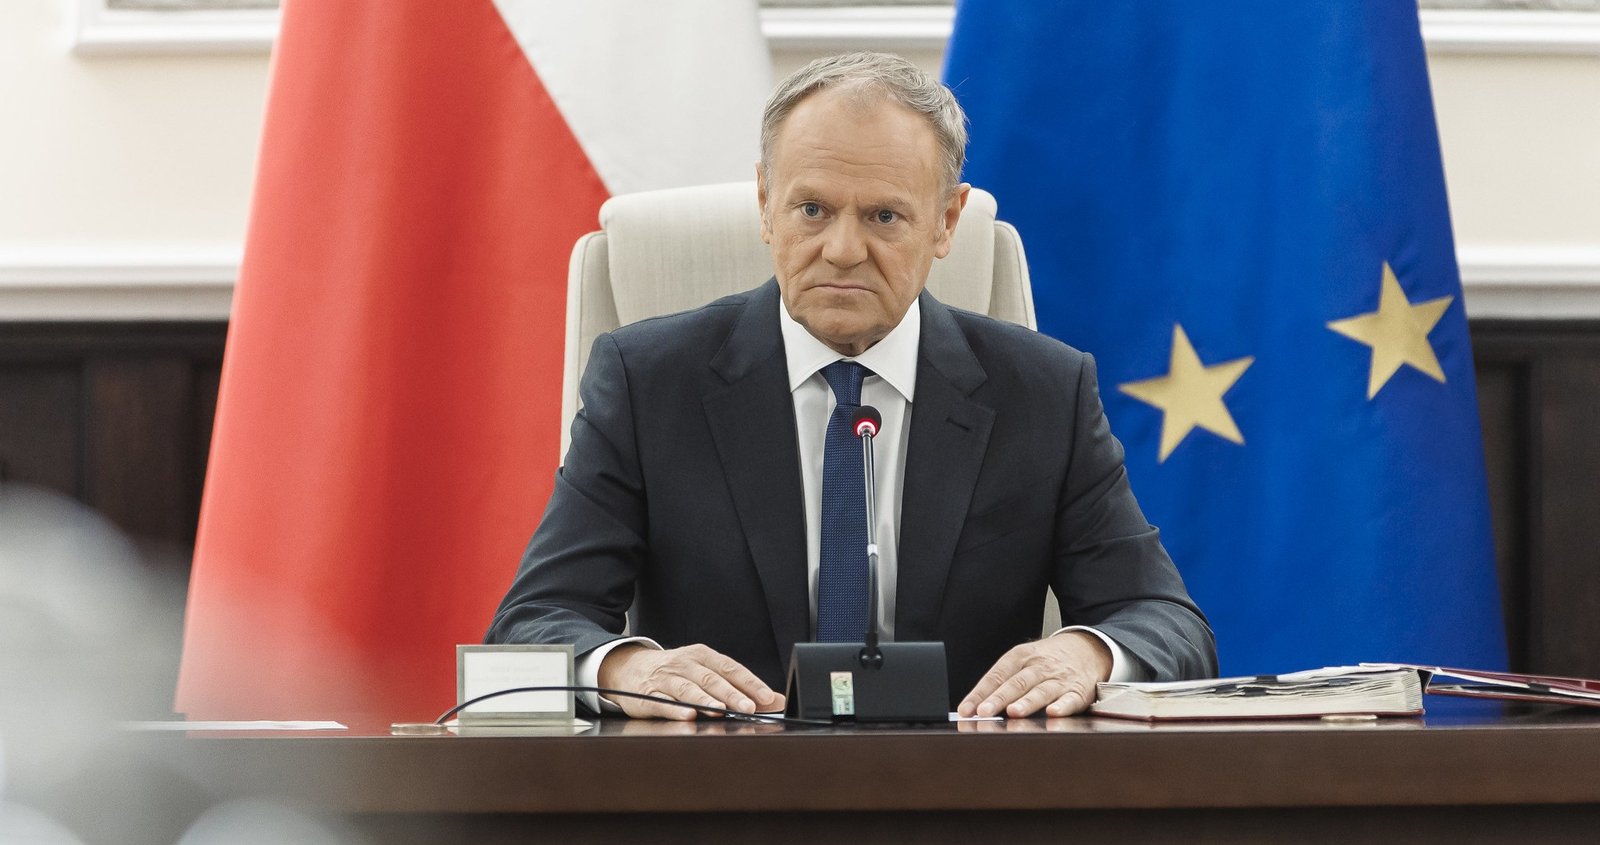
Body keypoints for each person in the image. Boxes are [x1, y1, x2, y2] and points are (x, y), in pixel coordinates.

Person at [487, 52, 1216, 720]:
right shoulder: (649, 383)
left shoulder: (1044, 393)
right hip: (719, 801)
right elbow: (528, 628)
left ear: (945, 221)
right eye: (812, 210)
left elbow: (1169, 623)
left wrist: (1082, 652)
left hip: (965, 803)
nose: (842, 249)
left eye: (884, 216)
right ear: (765, 204)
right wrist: (629, 668)